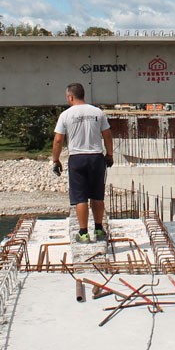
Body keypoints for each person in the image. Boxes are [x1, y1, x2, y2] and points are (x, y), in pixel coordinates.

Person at [51, 83, 114, 243]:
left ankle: (83, 233)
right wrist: (110, 154)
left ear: (70, 97)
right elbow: (107, 135)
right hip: (96, 157)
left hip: (77, 158)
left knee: (80, 197)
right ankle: (99, 229)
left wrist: (56, 160)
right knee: (97, 195)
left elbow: (58, 140)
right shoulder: (97, 112)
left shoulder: (66, 115)